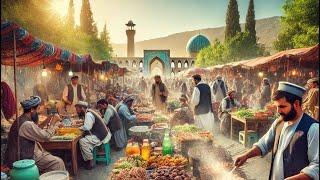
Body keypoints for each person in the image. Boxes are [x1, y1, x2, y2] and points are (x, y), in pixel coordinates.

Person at [234, 82, 319, 180]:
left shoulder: (313, 128)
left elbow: (316, 167)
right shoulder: (279, 123)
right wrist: (246, 155)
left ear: (296, 104)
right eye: (277, 107)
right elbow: (264, 144)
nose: (278, 111)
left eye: (282, 107)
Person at [4, 96, 65, 173]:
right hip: (23, 158)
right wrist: (53, 122)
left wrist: (49, 118)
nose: (38, 112)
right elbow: (46, 137)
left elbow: (36, 128)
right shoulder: (26, 124)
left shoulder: (23, 119)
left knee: (49, 155)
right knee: (58, 162)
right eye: (37, 109)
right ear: (32, 109)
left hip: (26, 154)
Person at [75, 101, 111, 170]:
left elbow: (87, 127)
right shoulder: (89, 112)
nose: (77, 111)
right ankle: (87, 158)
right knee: (84, 138)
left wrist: (78, 128)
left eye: (77, 109)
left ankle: (90, 161)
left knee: (82, 141)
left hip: (101, 136)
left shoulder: (88, 114)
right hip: (104, 134)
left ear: (82, 108)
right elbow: (88, 124)